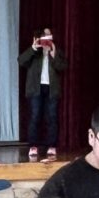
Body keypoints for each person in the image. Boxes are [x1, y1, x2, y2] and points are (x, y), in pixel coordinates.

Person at [19, 28, 66, 162]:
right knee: (35, 116)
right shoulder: (35, 52)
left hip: (52, 89)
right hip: (36, 88)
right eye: (44, 34)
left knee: (52, 117)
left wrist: (54, 54)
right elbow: (21, 61)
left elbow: (62, 67)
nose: (46, 37)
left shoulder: (56, 51)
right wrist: (33, 49)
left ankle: (52, 145)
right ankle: (33, 146)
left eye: (48, 34)